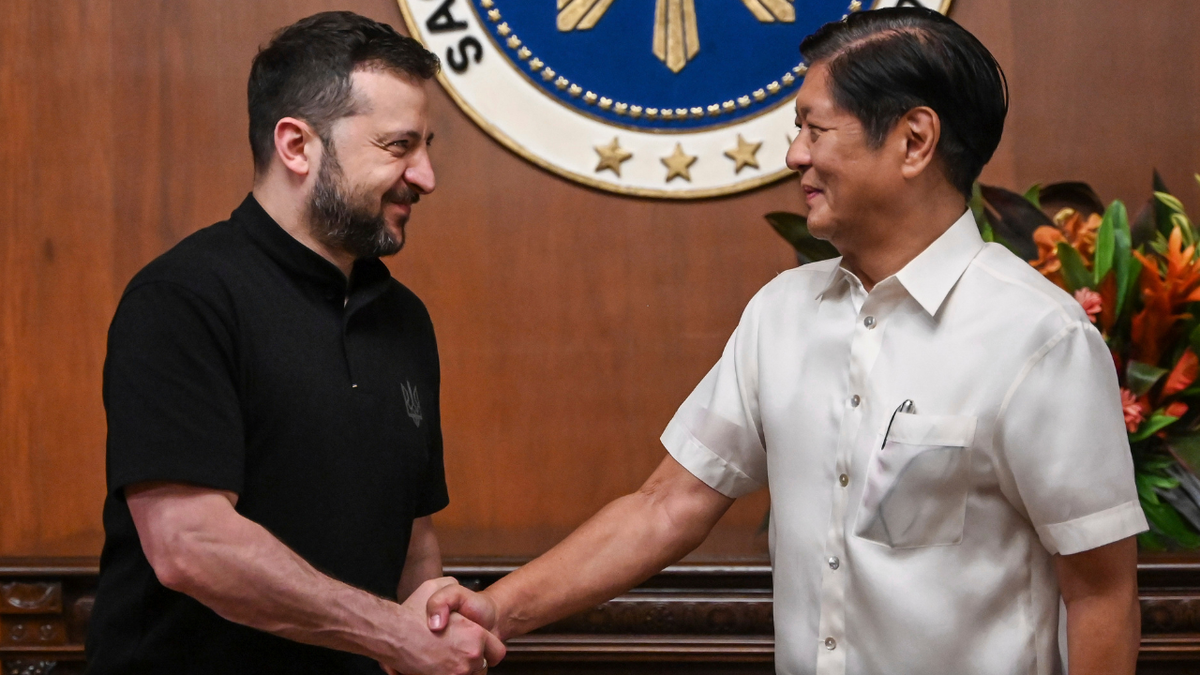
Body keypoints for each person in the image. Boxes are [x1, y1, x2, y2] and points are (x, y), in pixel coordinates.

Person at [425, 8, 1146, 675]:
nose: (794, 155)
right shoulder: (781, 313)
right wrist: (496, 607)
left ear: (914, 140)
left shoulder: (1039, 337)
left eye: (814, 128)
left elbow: (1101, 597)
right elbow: (665, 505)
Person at [86, 12, 502, 675]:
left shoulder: (404, 319)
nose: (425, 176)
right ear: (297, 145)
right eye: (398, 147)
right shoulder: (183, 298)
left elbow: (413, 545)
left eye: (425, 146)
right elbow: (189, 544)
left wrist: (430, 626)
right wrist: (391, 634)